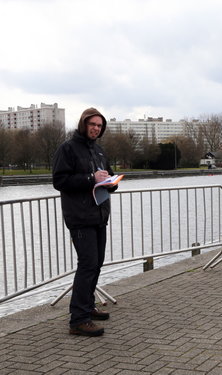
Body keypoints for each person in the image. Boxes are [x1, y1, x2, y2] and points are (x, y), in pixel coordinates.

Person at [52, 108, 117, 336]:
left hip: (99, 215)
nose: (96, 129)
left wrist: (112, 182)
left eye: (100, 126)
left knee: (96, 263)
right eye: (92, 124)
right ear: (83, 124)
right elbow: (59, 180)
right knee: (87, 264)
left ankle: (88, 307)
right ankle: (78, 320)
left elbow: (108, 175)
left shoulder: (98, 151)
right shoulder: (67, 149)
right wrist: (91, 179)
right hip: (79, 217)